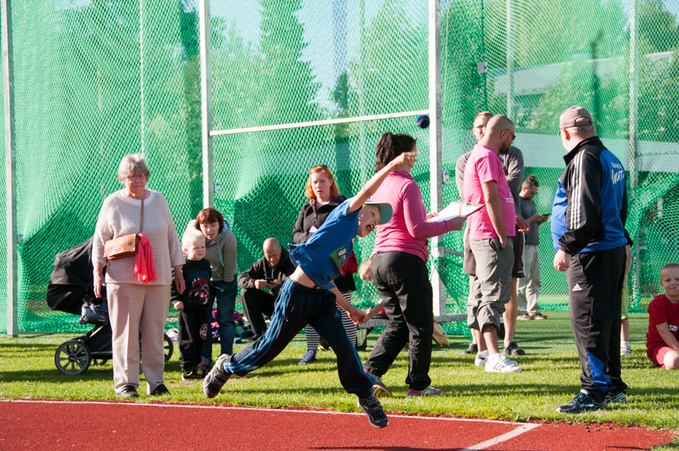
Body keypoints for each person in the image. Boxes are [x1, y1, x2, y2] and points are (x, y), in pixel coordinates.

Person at [202, 147, 419, 429]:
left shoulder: (346, 245)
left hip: (320, 299)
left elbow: (326, 281)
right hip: (296, 295)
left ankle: (366, 395)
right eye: (374, 214)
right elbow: (367, 190)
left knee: (345, 347)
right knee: (267, 349)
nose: (376, 222)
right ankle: (226, 366)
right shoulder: (345, 214)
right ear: (361, 208)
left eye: (379, 220)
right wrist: (393, 164)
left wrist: (349, 308)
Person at [363, 132, 466, 398]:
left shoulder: (381, 183)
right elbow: (417, 229)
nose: (417, 157)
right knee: (420, 325)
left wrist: (430, 218)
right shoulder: (407, 184)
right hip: (405, 261)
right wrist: (450, 223)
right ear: (403, 156)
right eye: (414, 152)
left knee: (398, 323)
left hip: (380, 260)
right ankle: (418, 386)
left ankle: (370, 373)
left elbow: (403, 222)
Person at [551, 106, 629, 413]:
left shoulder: (584, 157)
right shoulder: (610, 157)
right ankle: (612, 386)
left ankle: (593, 390)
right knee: (605, 322)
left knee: (589, 322)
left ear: (565, 133)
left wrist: (567, 246)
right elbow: (620, 207)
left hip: (592, 253)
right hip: (610, 248)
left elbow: (584, 209)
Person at [93, 153, 185, 398]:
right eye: (132, 176)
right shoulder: (112, 202)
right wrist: (97, 270)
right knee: (125, 332)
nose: (137, 180)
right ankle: (126, 383)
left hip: (159, 275)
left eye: (141, 175)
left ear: (147, 177)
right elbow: (100, 240)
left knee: (155, 331)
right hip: (123, 277)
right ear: (122, 178)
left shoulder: (159, 200)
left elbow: (171, 236)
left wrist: (178, 270)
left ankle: (156, 382)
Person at [463, 115, 524, 373]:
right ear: (503, 134)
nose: (511, 141)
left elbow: (495, 196)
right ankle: (495, 357)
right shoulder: (487, 157)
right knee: (493, 294)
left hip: (484, 234)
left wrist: (514, 218)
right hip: (490, 236)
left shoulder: (480, 155)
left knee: (482, 291)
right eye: (512, 135)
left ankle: (484, 352)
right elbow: (489, 198)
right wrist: (501, 234)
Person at [293, 165, 359, 365]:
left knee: (346, 310)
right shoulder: (306, 209)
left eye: (322, 181)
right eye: (315, 182)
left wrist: (320, 239)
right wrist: (310, 238)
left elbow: (345, 232)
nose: (318, 186)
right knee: (310, 310)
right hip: (312, 269)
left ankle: (352, 352)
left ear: (330, 182)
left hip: (338, 266)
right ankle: (311, 351)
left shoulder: (342, 206)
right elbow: (296, 234)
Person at [456, 112, 491, 357]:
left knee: (502, 287)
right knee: (475, 285)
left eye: (488, 126)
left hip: (503, 230)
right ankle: (477, 343)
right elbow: (469, 195)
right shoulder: (465, 160)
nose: (483, 130)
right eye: (479, 126)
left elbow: (510, 187)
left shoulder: (508, 155)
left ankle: (504, 341)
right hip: (476, 230)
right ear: (473, 130)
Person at [189, 208, 238, 368]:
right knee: (205, 319)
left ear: (220, 224)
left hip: (225, 279)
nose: (209, 230)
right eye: (205, 226)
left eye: (213, 225)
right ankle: (204, 357)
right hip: (204, 279)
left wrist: (226, 284)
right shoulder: (193, 235)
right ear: (199, 227)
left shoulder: (228, 238)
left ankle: (226, 356)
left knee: (225, 319)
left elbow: (229, 267)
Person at [172, 229, 212, 380]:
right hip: (188, 309)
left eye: (202, 247)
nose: (201, 250)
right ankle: (188, 368)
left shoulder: (206, 264)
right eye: (196, 248)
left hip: (203, 308)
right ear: (185, 250)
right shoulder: (182, 267)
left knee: (201, 337)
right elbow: (173, 285)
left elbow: (207, 283)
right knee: (188, 339)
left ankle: (198, 364)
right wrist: (176, 300)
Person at [237, 237, 295, 340]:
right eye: (269, 256)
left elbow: (302, 285)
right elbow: (241, 278)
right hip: (274, 305)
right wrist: (254, 283)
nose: (272, 259)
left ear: (280, 249)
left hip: (292, 307)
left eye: (274, 255)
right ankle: (260, 333)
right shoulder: (263, 263)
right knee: (246, 292)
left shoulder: (293, 261)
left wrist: (283, 285)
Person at [516, 175, 549, 321]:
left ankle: (533, 310)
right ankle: (520, 310)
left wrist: (539, 221)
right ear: (524, 188)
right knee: (522, 279)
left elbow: (531, 223)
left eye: (535, 193)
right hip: (524, 244)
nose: (533, 195)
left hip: (535, 244)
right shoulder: (517, 201)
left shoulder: (531, 202)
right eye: (531, 192)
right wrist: (533, 219)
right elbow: (518, 223)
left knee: (535, 279)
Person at [646, 263, 679, 370]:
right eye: (668, 280)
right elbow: (664, 332)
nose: (673, 283)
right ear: (662, 285)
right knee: (675, 359)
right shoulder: (657, 304)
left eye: (677, 279)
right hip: (659, 347)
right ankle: (667, 363)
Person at [620, 246, 633, 356]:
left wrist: (623, 277)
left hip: (617, 279)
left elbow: (628, 253)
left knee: (622, 314)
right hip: (600, 279)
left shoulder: (621, 236)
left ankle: (625, 345)